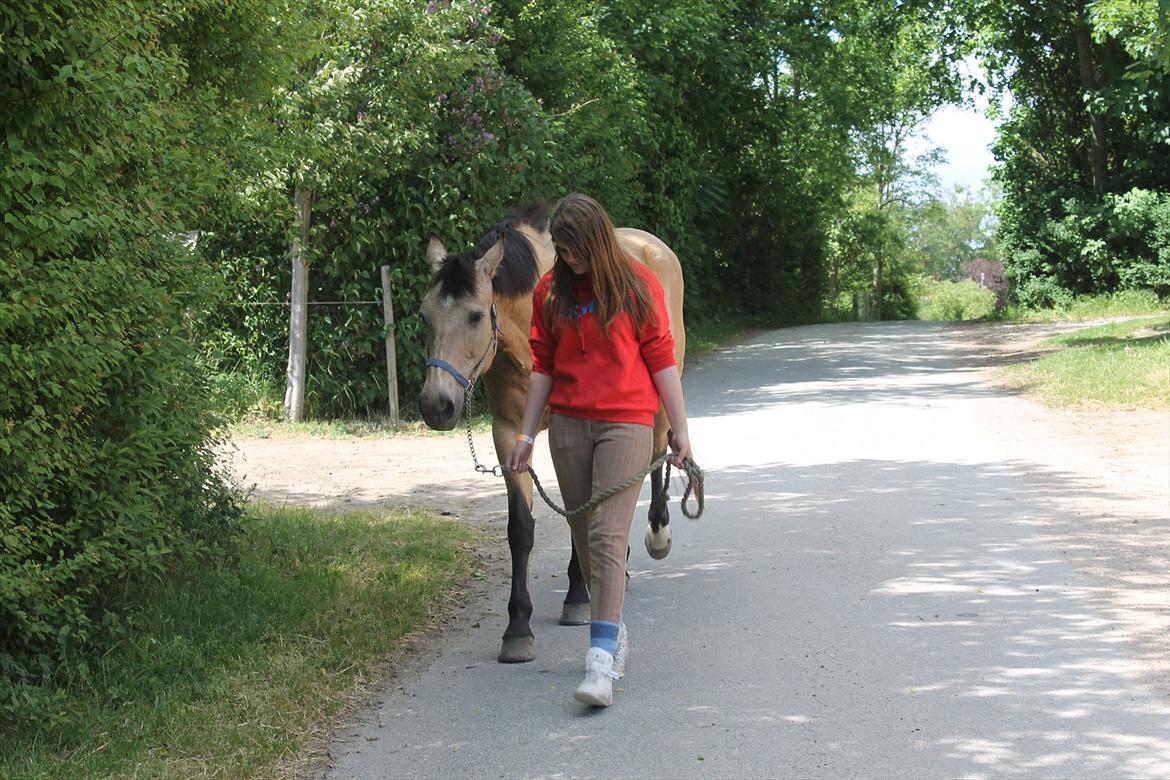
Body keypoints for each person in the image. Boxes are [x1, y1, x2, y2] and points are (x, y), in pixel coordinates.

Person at [507, 193, 691, 708]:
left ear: (599, 240)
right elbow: (541, 365)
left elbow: (662, 358)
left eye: (577, 250)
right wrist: (525, 435)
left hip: (626, 422)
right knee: (583, 534)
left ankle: (599, 662)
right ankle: (614, 629)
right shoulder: (550, 290)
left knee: (609, 535)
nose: (570, 260)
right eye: (563, 251)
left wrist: (679, 429)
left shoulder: (636, 284)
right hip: (567, 424)